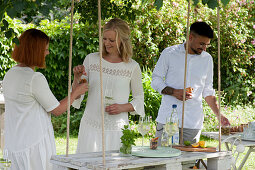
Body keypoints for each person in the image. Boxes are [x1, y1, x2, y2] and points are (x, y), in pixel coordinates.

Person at [3, 29, 88, 170]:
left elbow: (48, 104)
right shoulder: (34, 78)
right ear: (35, 51)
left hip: (15, 144)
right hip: (33, 146)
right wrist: (76, 92)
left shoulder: (10, 73)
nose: (48, 53)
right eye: (45, 49)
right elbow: (58, 110)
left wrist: (75, 83)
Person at [72, 18, 145, 153]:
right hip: (90, 126)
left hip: (117, 129)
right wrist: (77, 78)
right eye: (104, 39)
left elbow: (139, 100)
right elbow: (77, 95)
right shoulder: (91, 59)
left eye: (111, 40)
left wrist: (122, 107)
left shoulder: (132, 66)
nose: (106, 43)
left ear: (123, 41)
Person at [151, 21, 230, 145]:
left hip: (193, 123)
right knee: (161, 159)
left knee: (189, 163)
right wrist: (173, 92)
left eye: (207, 45)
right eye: (201, 44)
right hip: (168, 120)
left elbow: (208, 90)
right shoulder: (169, 53)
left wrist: (219, 115)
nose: (204, 48)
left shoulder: (207, 59)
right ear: (190, 37)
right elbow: (155, 80)